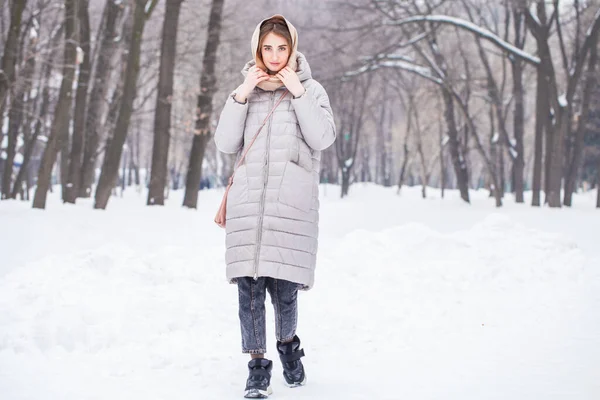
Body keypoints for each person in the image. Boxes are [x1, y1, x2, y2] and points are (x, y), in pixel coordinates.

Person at [213, 14, 336, 399]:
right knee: (248, 289)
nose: (275, 55)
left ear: (293, 49)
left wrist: (298, 91)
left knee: (284, 290)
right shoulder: (244, 91)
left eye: (282, 48)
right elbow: (225, 143)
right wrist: (241, 94)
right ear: (257, 49)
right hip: (250, 203)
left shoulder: (311, 89)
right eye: (267, 48)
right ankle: (257, 366)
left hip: (290, 203)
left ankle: (288, 346)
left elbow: (323, 137)